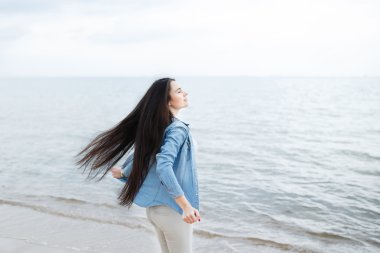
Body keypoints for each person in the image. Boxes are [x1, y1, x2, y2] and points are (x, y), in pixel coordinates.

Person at [75, 78, 200, 253]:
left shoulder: (162, 127)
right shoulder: (177, 129)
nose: (185, 93)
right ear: (167, 101)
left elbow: (146, 155)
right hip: (172, 211)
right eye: (179, 91)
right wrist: (186, 206)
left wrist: (125, 173)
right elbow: (163, 166)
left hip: (155, 212)